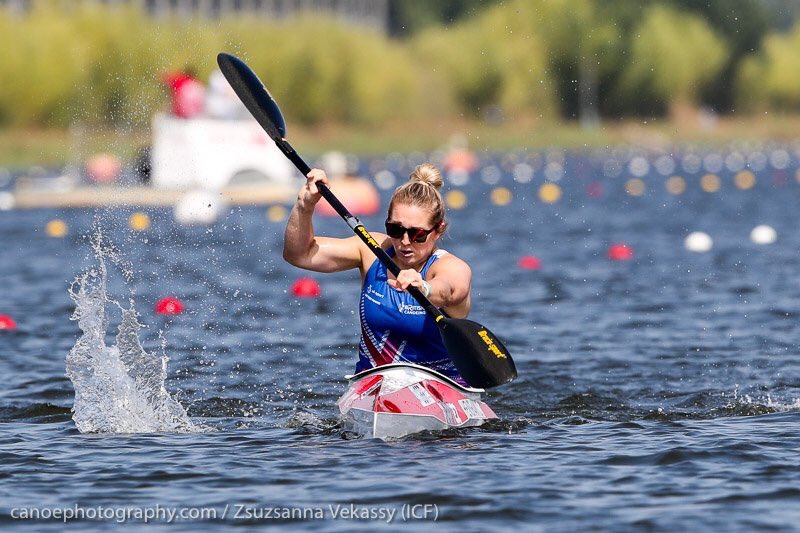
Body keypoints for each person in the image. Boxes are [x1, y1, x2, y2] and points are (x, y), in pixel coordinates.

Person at [283, 163, 472, 382]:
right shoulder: (372, 250)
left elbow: (449, 291)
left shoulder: (451, 267)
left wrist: (423, 287)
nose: (404, 241)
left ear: (438, 230)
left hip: (442, 386)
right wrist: (304, 206)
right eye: (395, 229)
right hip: (373, 385)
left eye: (417, 234)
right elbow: (299, 254)